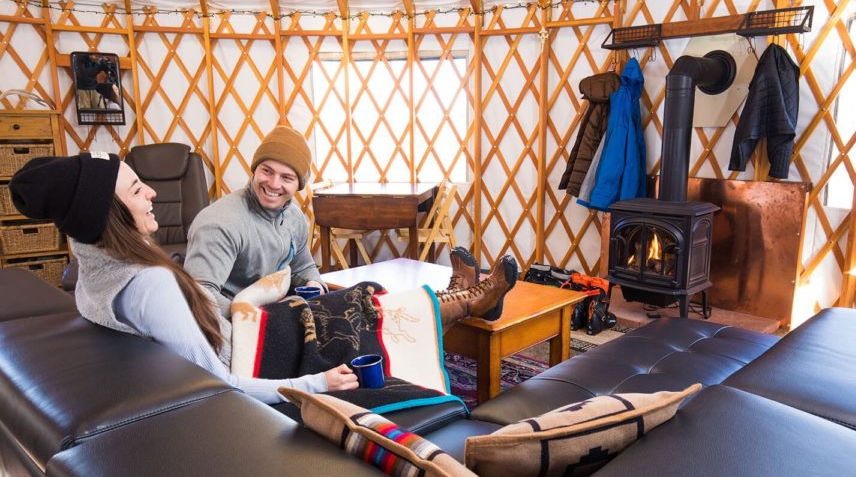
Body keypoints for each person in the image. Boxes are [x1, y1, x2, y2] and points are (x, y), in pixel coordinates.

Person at [8, 152, 516, 404]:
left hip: (248, 328)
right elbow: (216, 381)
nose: (150, 196)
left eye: (288, 176)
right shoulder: (155, 280)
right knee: (365, 311)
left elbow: (303, 269)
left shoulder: (91, 258)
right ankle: (471, 302)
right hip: (249, 351)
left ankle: (459, 295)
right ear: (109, 212)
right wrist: (314, 383)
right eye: (137, 189)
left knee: (360, 296)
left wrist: (286, 294)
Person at [183, 126, 326, 316]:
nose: (274, 184)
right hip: (230, 325)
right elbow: (199, 296)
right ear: (255, 170)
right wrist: (257, 322)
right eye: (267, 171)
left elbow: (304, 266)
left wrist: (314, 284)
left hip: (272, 311)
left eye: (286, 177)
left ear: (298, 185)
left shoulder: (294, 218)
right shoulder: (221, 222)